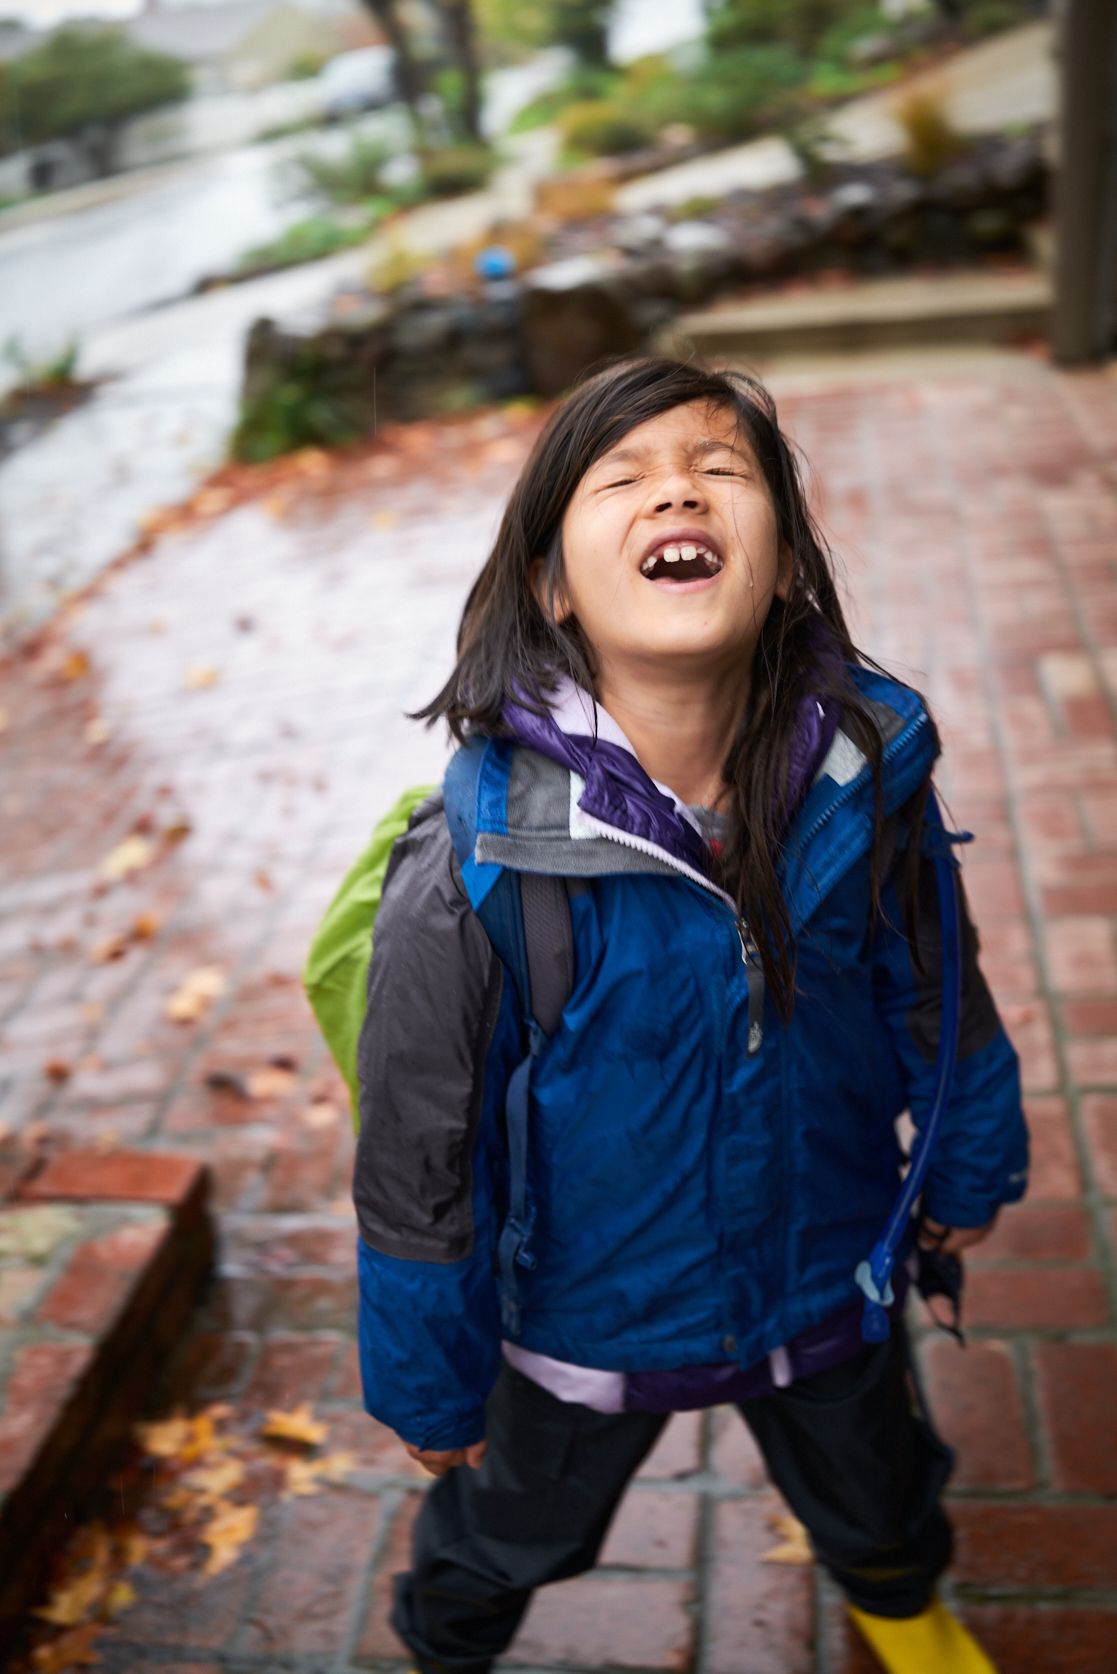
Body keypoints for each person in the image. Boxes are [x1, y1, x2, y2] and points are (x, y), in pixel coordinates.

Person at [352, 357, 1028, 1674]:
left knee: (878, 1489)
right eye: (623, 477)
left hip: (825, 1266)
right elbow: (417, 1157)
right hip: (582, 1318)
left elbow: (940, 990)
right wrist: (427, 1369)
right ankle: (446, 1642)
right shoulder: (477, 863)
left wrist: (968, 1155)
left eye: (720, 469)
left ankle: (905, 1611)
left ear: (779, 561)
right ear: (552, 585)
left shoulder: (862, 781)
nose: (677, 489)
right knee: (510, 1531)